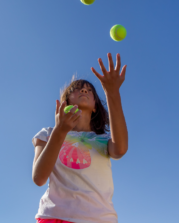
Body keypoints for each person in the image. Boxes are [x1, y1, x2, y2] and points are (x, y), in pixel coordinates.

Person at [32, 53, 128, 223]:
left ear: (95, 107)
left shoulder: (104, 140)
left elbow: (120, 149)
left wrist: (112, 93)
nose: (84, 90)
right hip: (55, 217)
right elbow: (39, 178)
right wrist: (60, 132)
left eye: (89, 90)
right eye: (76, 89)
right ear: (67, 101)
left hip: (100, 219)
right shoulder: (47, 133)